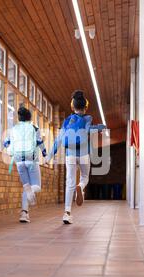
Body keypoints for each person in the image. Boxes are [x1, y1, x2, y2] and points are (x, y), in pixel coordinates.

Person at [46, 90, 106, 224]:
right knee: (85, 177)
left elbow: (59, 139)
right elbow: (88, 129)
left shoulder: (67, 120)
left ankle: (67, 213)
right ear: (86, 107)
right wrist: (99, 127)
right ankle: (81, 186)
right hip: (84, 153)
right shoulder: (87, 118)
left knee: (69, 183)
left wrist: (50, 155)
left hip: (70, 155)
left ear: (72, 106)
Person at [4, 104, 47, 223]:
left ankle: (24, 213)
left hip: (18, 161)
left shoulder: (13, 129)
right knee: (36, 186)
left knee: (27, 186)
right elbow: (40, 143)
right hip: (31, 160)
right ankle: (27, 199)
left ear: (19, 118)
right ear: (29, 118)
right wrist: (45, 154)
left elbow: (6, 143)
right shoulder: (34, 128)